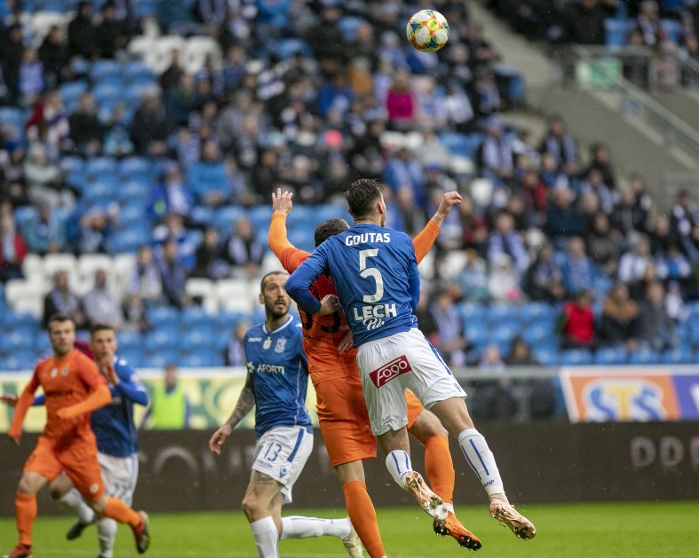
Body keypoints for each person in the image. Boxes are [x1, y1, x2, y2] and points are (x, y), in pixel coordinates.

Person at [286, 179, 536, 541]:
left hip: (370, 355)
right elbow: (414, 293)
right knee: (460, 425)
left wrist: (320, 308)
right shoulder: (400, 241)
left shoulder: (333, 248)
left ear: (351, 213)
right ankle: (497, 496)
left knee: (393, 440)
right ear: (381, 208)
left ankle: (408, 478)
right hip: (406, 338)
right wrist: (438, 217)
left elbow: (295, 285)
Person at [269, 188, 481, 556]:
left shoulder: (304, 263)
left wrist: (280, 212)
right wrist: (439, 216)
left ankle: (379, 556)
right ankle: (445, 509)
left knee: (353, 481)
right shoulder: (357, 269)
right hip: (373, 371)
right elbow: (411, 256)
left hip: (330, 381)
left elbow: (277, 242)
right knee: (434, 432)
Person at [208, 272, 362, 558]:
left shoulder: (299, 335)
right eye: (272, 288)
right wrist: (229, 425)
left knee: (252, 504)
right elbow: (251, 385)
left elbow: (328, 370)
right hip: (265, 432)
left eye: (284, 288)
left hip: (291, 428)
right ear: (261, 297)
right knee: (270, 521)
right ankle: (343, 528)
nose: (280, 293)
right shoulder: (252, 337)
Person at [1, 314, 149, 558]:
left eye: (109, 340)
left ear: (116, 343)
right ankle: (82, 517)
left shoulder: (120, 369)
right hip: (87, 445)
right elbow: (58, 394)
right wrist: (23, 405)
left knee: (103, 507)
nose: (105, 346)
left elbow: (142, 398)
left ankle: (107, 551)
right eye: (99, 341)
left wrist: (116, 384)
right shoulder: (81, 367)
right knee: (57, 490)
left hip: (119, 452)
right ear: (91, 344)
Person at [143, 364, 190, 429]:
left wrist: (186, 430)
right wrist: (141, 426)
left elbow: (188, 415)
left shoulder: (182, 393)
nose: (170, 376)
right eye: (168, 373)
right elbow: (149, 411)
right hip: (160, 432)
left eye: (172, 373)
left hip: (177, 433)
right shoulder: (157, 392)